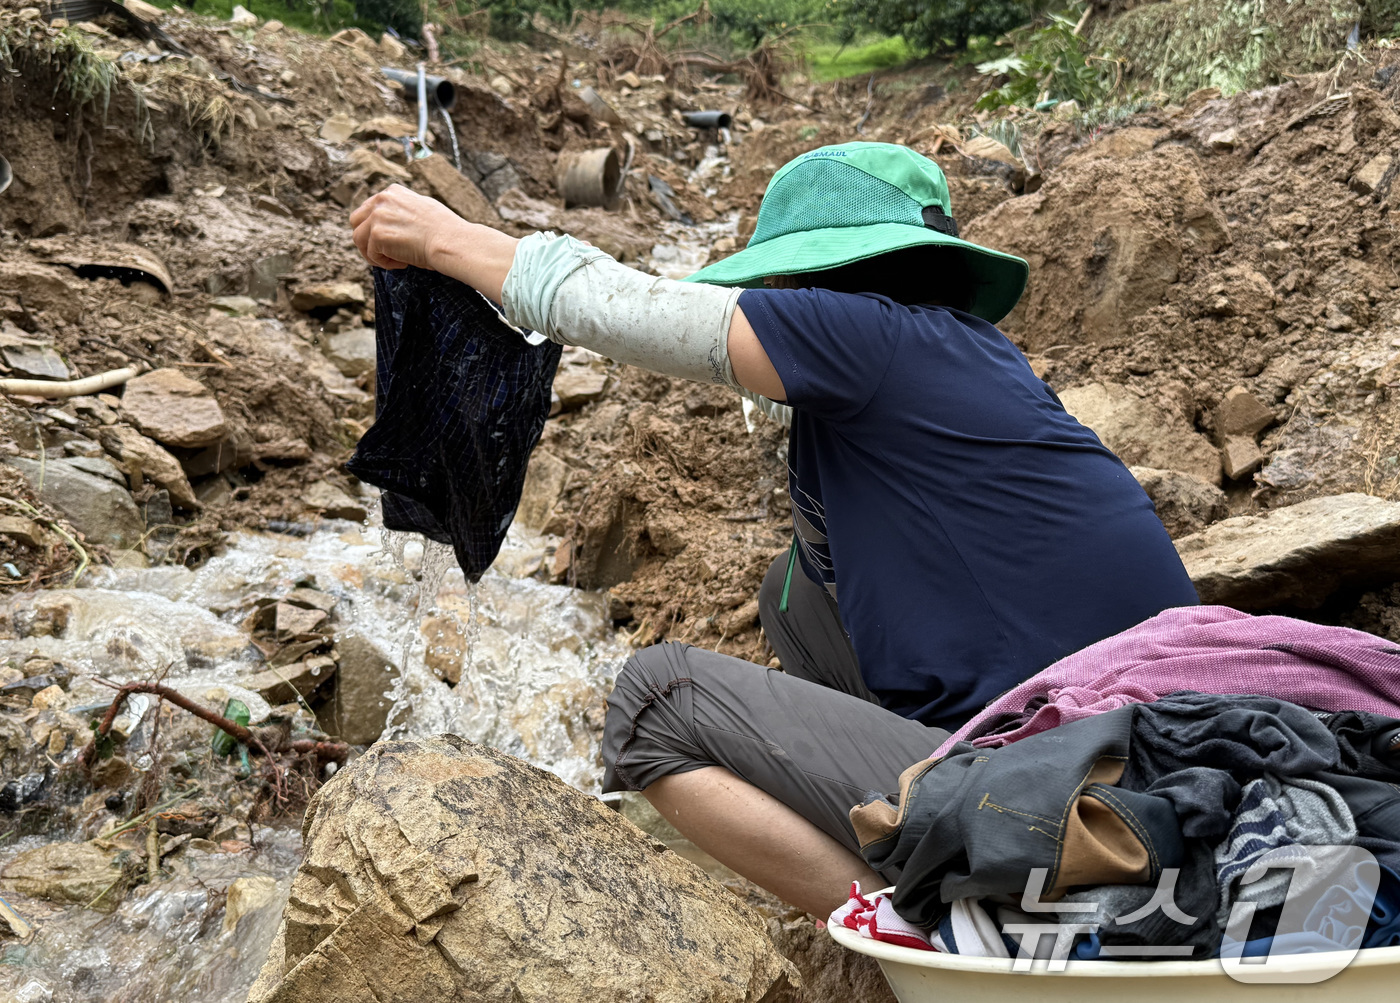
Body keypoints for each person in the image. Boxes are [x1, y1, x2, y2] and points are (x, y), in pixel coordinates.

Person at [350, 141, 1200, 919]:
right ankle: (920, 833)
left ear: (827, 274)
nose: (777, 298)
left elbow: (616, 307)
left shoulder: (868, 336)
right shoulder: (964, 357)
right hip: (1155, 753)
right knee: (792, 595)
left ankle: (921, 926)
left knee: (654, 702)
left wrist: (445, 240)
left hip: (1086, 787)